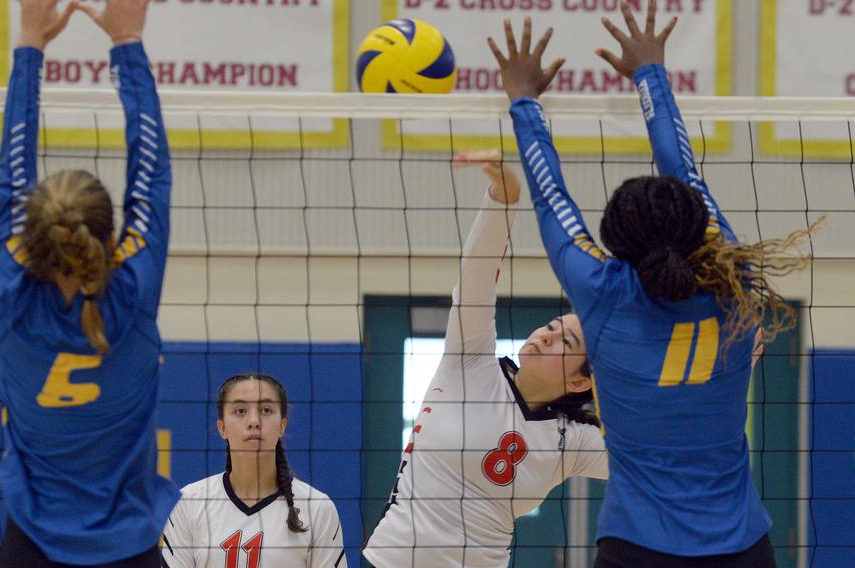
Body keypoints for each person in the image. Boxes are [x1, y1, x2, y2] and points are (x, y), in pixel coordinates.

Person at [489, 2, 816, 566]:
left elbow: (550, 196)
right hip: (740, 546)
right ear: (694, 227)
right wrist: (651, 73)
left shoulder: (602, 290)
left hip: (637, 548)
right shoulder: (732, 278)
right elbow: (684, 169)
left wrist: (524, 100)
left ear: (618, 244)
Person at [0, 1, 178, 565]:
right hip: (129, 547)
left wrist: (29, 41)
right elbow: (153, 171)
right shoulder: (132, 291)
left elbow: (9, 173)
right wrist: (128, 41)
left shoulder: (11, 294)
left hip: (32, 547)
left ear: (32, 235)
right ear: (108, 234)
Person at [362, 150, 609, 568]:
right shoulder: (471, 361)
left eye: (565, 343)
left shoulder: (574, 439)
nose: (546, 338)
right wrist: (504, 199)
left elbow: (656, 457)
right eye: (550, 327)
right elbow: (476, 276)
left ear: (582, 382)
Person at [160, 373, 347, 567]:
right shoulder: (189, 502)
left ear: (282, 425)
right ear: (221, 427)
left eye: (266, 410)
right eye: (240, 411)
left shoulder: (316, 507)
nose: (254, 421)